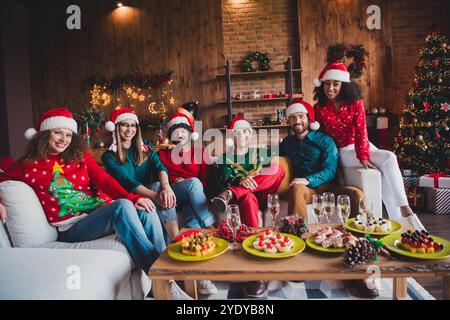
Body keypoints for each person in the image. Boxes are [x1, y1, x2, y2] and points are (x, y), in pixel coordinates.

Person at [0, 107, 192, 299]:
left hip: (99, 214)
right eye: (57, 132)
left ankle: (163, 282)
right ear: (43, 135)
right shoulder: (29, 164)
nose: (63, 139)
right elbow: (3, 174)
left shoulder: (80, 156)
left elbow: (104, 181)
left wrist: (135, 198)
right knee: (122, 206)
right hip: (72, 227)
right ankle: (164, 281)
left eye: (68, 134)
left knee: (147, 209)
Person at [313, 62, 425, 229]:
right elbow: (320, 136)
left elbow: (361, 130)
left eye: (335, 84)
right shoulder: (319, 108)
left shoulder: (355, 103)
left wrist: (363, 155)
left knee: (388, 159)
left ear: (343, 85)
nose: (330, 88)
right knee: (382, 164)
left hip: (360, 145)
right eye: (327, 84)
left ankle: (403, 210)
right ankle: (402, 217)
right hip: (341, 151)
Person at [210, 117, 285, 298]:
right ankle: (256, 273)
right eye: (238, 132)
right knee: (249, 196)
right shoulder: (224, 157)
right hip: (246, 199)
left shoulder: (261, 152)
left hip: (264, 194)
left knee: (278, 169)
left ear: (250, 134)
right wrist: (240, 181)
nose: (242, 135)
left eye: (246, 131)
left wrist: (270, 163)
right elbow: (224, 177)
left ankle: (230, 193)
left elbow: (276, 170)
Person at [158, 111, 218, 295]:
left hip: (192, 197)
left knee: (192, 219)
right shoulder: (162, 154)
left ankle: (200, 278)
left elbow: (206, 181)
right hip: (173, 193)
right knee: (192, 182)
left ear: (190, 133)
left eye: (183, 130)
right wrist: (179, 184)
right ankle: (211, 223)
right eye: (176, 132)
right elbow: (157, 177)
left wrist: (195, 188)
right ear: (171, 135)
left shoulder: (200, 153)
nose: (180, 135)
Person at [101, 108, 180, 243]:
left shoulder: (146, 147)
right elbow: (128, 181)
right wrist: (155, 196)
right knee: (156, 189)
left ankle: (175, 238)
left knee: (158, 185)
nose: (129, 129)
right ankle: (167, 246)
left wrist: (166, 187)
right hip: (129, 197)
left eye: (133, 125)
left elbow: (160, 167)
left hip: (151, 191)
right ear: (116, 127)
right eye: (125, 125)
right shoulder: (109, 156)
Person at [280, 99, 364, 219]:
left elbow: (330, 171)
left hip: (328, 188)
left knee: (356, 194)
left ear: (309, 119)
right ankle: (299, 233)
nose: (297, 121)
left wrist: (307, 179)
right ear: (289, 121)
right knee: (297, 188)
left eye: (301, 116)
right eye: (293, 118)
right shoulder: (287, 143)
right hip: (305, 190)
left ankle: (356, 234)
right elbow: (268, 157)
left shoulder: (325, 140)